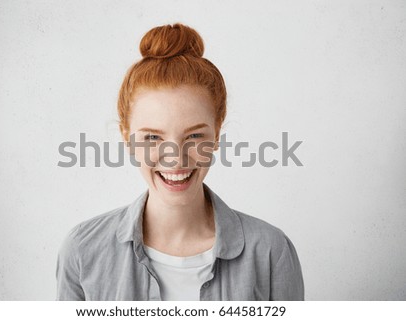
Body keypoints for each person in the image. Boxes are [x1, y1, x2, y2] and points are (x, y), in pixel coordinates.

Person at [56, 23, 304, 301]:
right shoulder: (82, 250)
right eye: (152, 137)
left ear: (217, 135)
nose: (176, 157)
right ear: (127, 138)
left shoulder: (271, 251)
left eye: (195, 135)